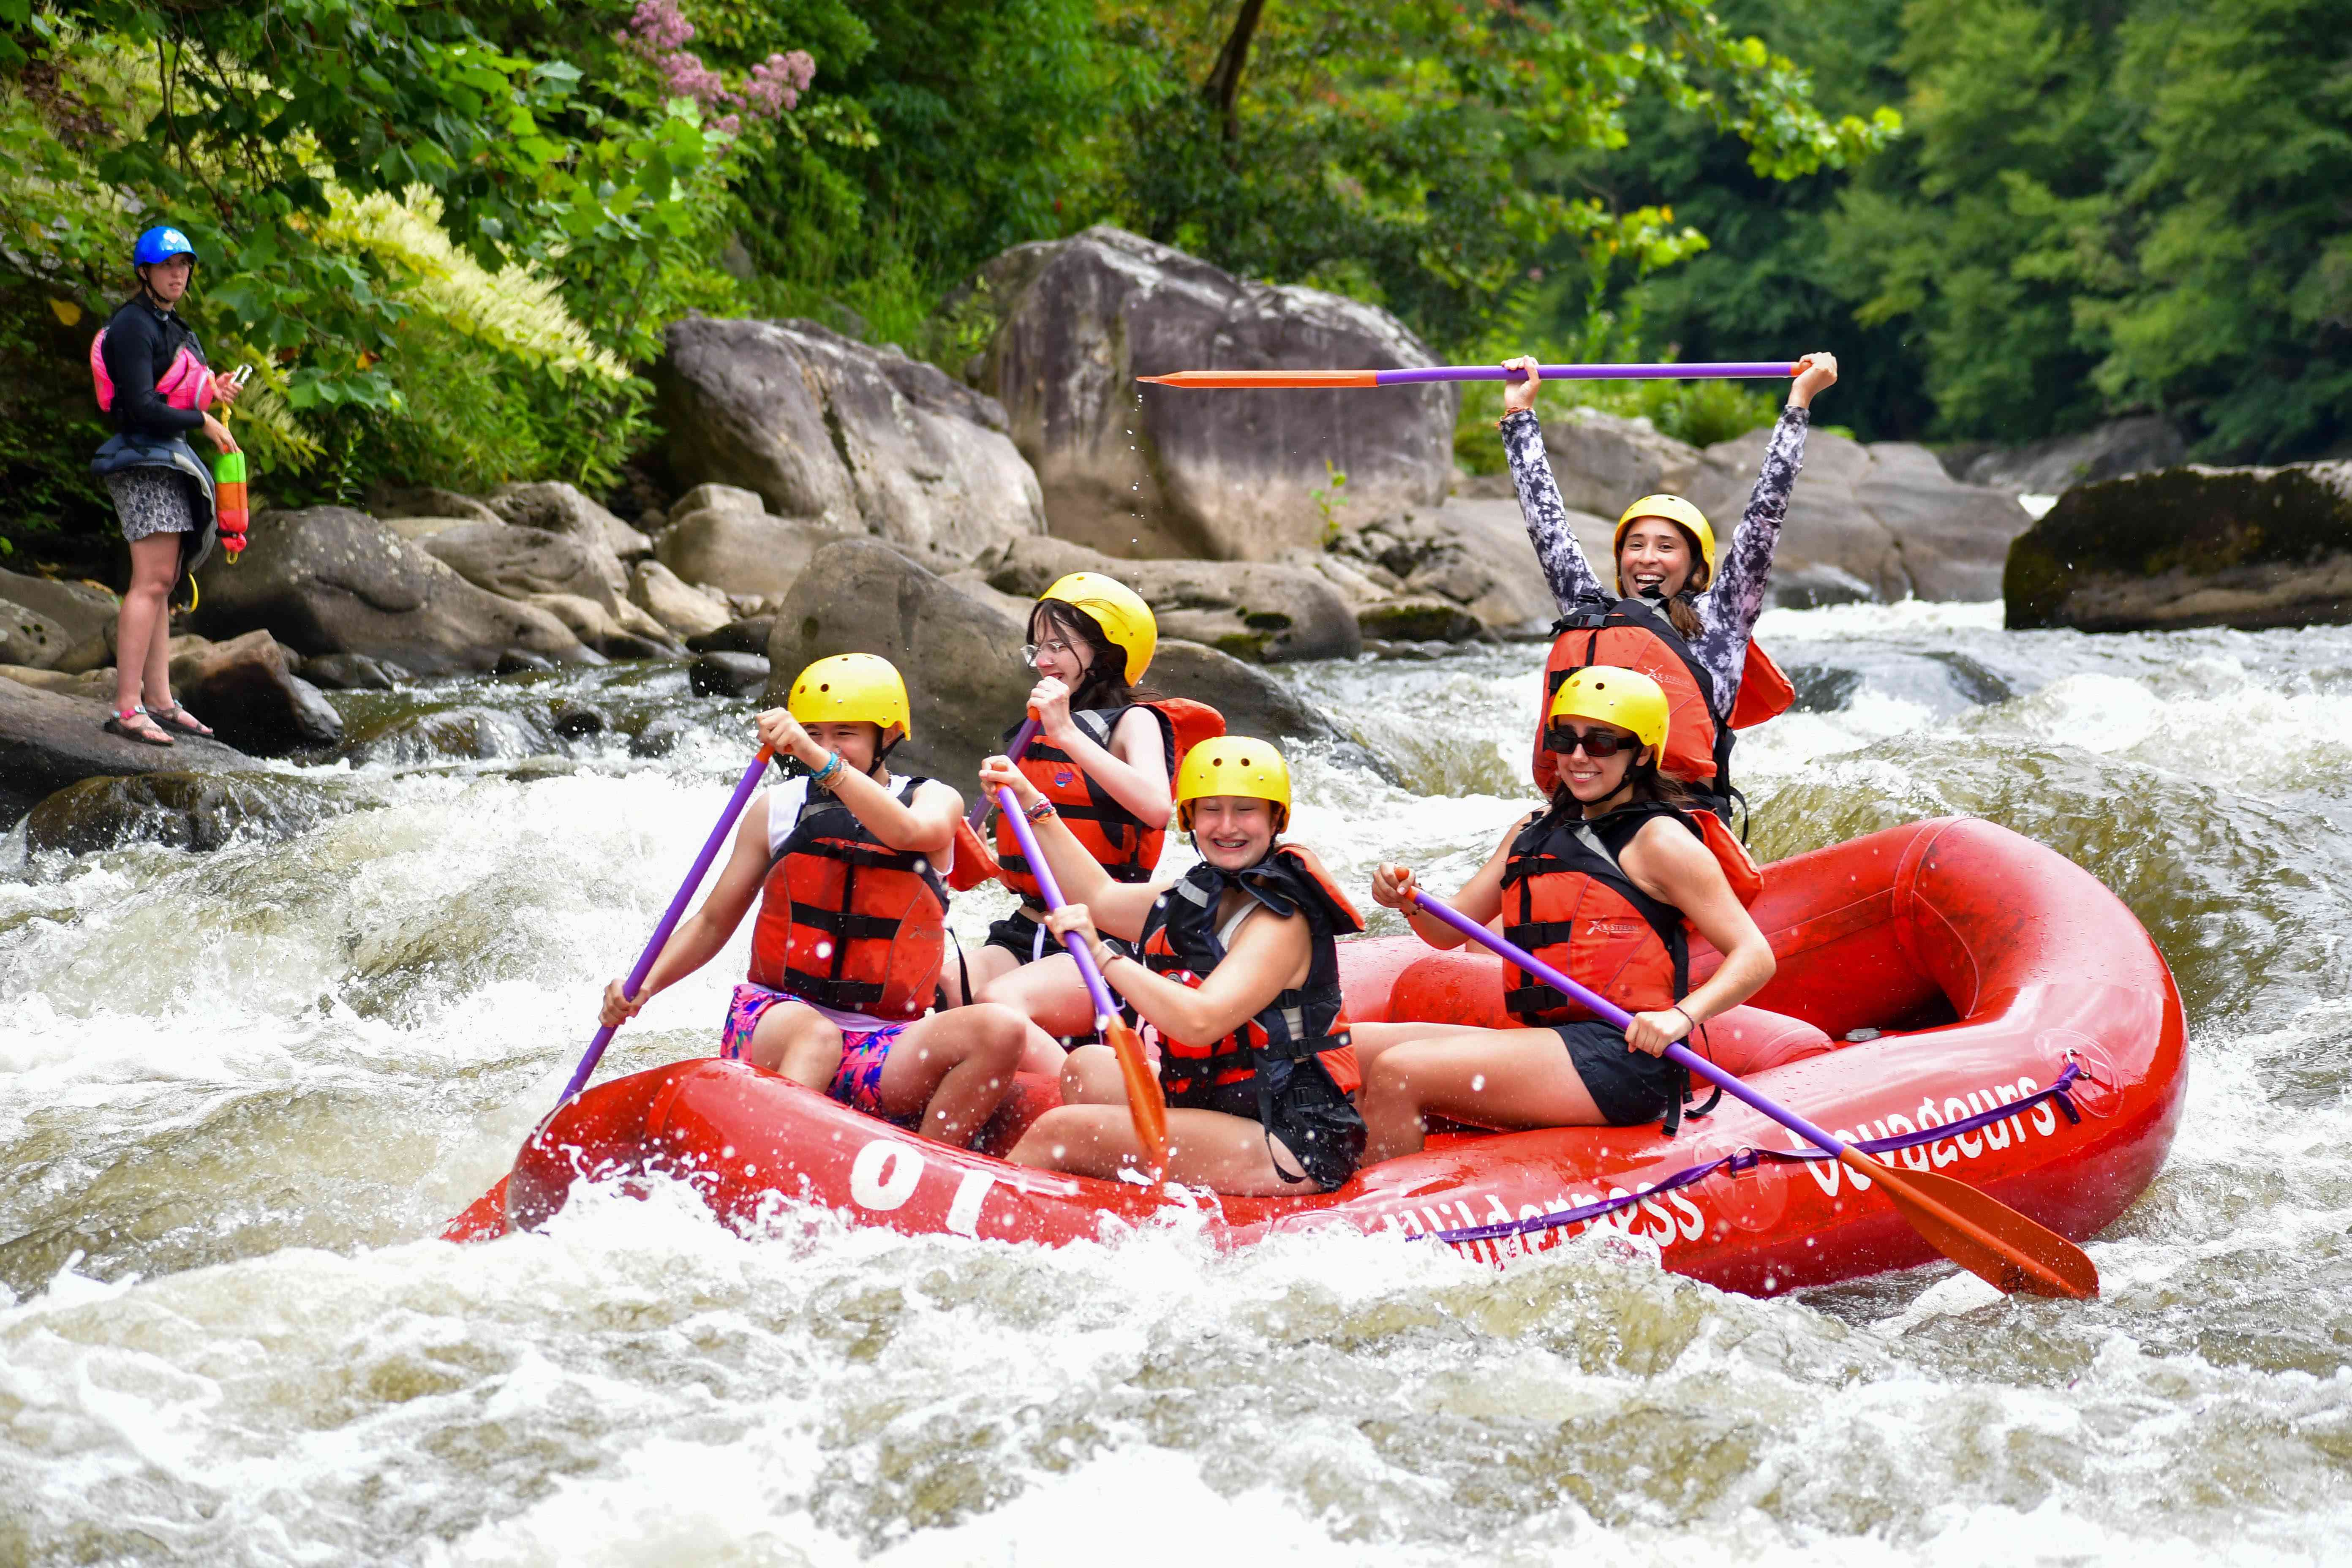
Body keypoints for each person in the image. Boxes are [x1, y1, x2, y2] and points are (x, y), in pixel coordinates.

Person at [596, 654, 1029, 1147]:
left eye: (845, 733)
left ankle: (929, 1168)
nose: (825, 747)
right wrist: (642, 984)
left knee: (1002, 1029)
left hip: (882, 1046)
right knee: (816, 1037)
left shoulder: (934, 799)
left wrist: (821, 758)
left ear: (886, 737)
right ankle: (765, 1163)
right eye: (814, 733)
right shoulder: (777, 808)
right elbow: (714, 922)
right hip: (778, 1022)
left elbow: (912, 832)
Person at [1353, 668, 1776, 1164]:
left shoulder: (1660, 841)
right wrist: (1408, 898)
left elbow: (1755, 956)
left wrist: (1679, 1018)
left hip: (1622, 1058)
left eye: (1601, 742)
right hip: (1546, 1045)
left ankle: (1379, 1220)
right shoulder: (1531, 831)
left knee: (1400, 1069)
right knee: (1339, 1047)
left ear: (1641, 754)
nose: (1578, 757)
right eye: (1564, 738)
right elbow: (1447, 930)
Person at [977, 738, 1366, 1194]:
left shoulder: (1281, 919)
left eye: (1246, 810)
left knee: (1058, 1131)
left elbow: (1200, 1021)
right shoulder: (1205, 894)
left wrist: (1105, 956)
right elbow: (1101, 899)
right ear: (1190, 819)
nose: (1227, 826)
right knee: (1086, 1067)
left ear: (1276, 819)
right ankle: (1107, 1205)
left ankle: (969, 1226)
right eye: (1211, 810)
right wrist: (1034, 805)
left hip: (1293, 1138)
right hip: (1230, 1101)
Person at [1498, 352, 1841, 817]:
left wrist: (1799, 403)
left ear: (1697, 567)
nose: (1646, 558)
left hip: (1681, 823)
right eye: (1635, 545)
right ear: (1620, 560)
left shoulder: (1722, 617)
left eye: (1666, 547)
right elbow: (1547, 525)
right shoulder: (1589, 611)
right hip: (1589, 814)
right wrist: (1520, 416)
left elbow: (1765, 516)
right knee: (1527, 830)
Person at [963, 572, 1220, 1033]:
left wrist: (1065, 733)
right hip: (1026, 925)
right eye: (1037, 648)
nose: (1042, 660)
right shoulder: (1033, 731)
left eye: (1058, 646)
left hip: (1101, 936)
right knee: (941, 986)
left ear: (1106, 653)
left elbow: (1156, 807)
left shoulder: (1134, 722)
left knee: (995, 1002)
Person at [88, 225, 242, 746]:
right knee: (150, 581)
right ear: (145, 272)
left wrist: (212, 392)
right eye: (168, 265)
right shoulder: (133, 325)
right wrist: (203, 422)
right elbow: (138, 405)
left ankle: (158, 698)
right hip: (140, 460)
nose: (178, 273)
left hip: (165, 460)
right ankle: (127, 707)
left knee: (164, 580)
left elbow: (173, 389)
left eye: (184, 265)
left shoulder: (170, 323)